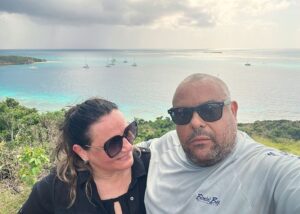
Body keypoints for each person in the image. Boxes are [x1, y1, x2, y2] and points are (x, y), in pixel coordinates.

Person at [140, 73, 300, 214]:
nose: (195, 123)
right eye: (182, 114)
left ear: (233, 111)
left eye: (210, 110)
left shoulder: (266, 169)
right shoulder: (165, 145)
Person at [19, 98, 150, 214]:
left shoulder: (154, 166)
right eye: (113, 144)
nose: (128, 147)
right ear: (82, 151)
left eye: (129, 132)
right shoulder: (55, 189)